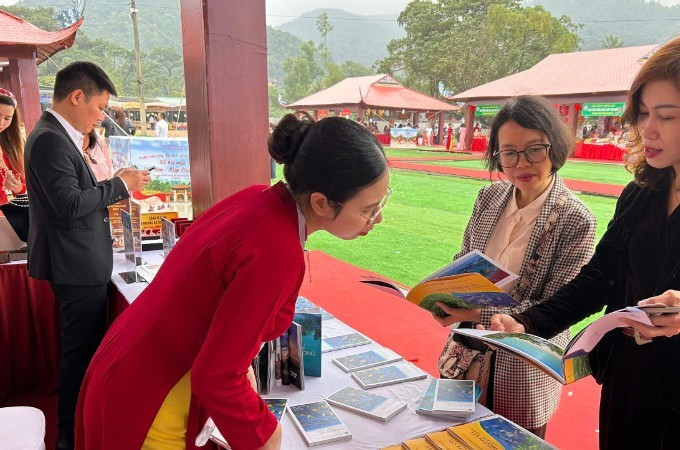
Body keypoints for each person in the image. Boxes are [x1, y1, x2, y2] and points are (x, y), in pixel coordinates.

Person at [484, 33, 680, 449]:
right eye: (644, 112)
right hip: (626, 389)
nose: (646, 129)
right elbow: (598, 279)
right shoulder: (642, 192)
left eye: (666, 116)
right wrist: (528, 323)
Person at [74, 114, 390, 449]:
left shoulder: (257, 197)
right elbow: (217, 376)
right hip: (152, 395)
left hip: (130, 364)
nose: (378, 218)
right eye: (369, 209)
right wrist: (264, 435)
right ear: (321, 203)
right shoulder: (277, 249)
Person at [433, 96, 596, 438]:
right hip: (465, 354)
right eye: (509, 153)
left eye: (534, 149)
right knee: (453, 439)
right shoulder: (489, 197)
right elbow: (465, 260)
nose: (522, 163)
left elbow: (556, 306)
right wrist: (442, 294)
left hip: (522, 369)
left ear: (555, 147)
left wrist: (474, 312)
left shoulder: (576, 219)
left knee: (511, 442)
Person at [24, 61, 151, 450]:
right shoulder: (50, 139)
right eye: (99, 108)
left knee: (84, 350)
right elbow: (68, 205)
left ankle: (79, 427)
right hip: (75, 264)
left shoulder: (58, 137)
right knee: (80, 354)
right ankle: (71, 435)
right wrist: (119, 185)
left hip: (80, 260)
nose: (100, 118)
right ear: (77, 97)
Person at [0, 88, 26, 205]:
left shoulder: (9, 145)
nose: (1, 123)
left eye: (7, 118)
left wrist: (17, 187)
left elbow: (22, 185)